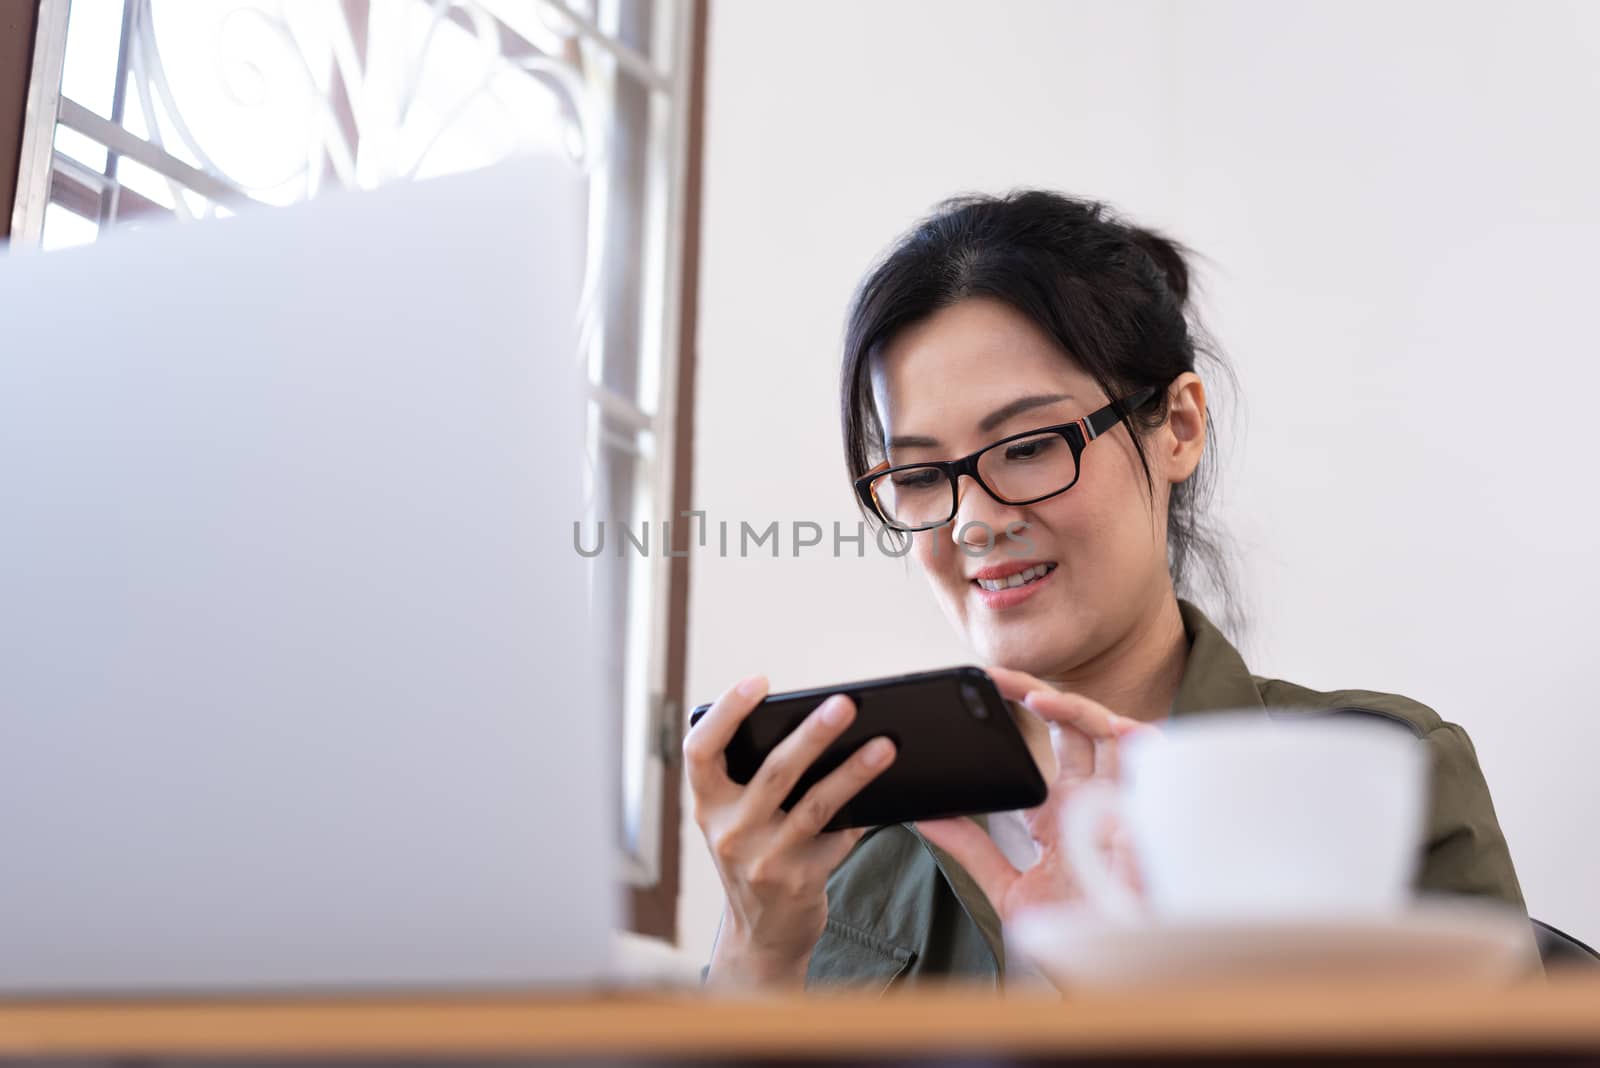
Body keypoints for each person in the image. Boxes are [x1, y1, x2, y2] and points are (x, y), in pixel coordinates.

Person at [684, 190, 1526, 988]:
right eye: (919, 473)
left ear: (1180, 428)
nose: (973, 522)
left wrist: (1132, 996)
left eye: (1028, 446)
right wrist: (755, 951)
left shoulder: (1374, 777)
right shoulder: (843, 847)